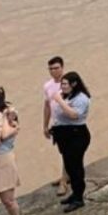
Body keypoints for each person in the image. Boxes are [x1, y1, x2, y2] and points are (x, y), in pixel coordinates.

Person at [49, 71, 93, 212]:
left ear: (74, 84)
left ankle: (79, 197)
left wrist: (60, 101)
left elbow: (74, 115)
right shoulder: (66, 95)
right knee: (68, 165)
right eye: (61, 84)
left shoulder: (82, 98)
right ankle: (74, 194)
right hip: (64, 135)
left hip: (76, 135)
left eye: (65, 84)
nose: (62, 87)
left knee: (76, 166)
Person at [42, 55, 67, 197]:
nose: (53, 71)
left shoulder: (68, 83)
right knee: (62, 151)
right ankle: (66, 175)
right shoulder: (48, 86)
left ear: (62, 67)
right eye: (51, 69)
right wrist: (45, 125)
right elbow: (47, 106)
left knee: (67, 152)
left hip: (69, 123)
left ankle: (64, 181)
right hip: (56, 124)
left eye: (56, 68)